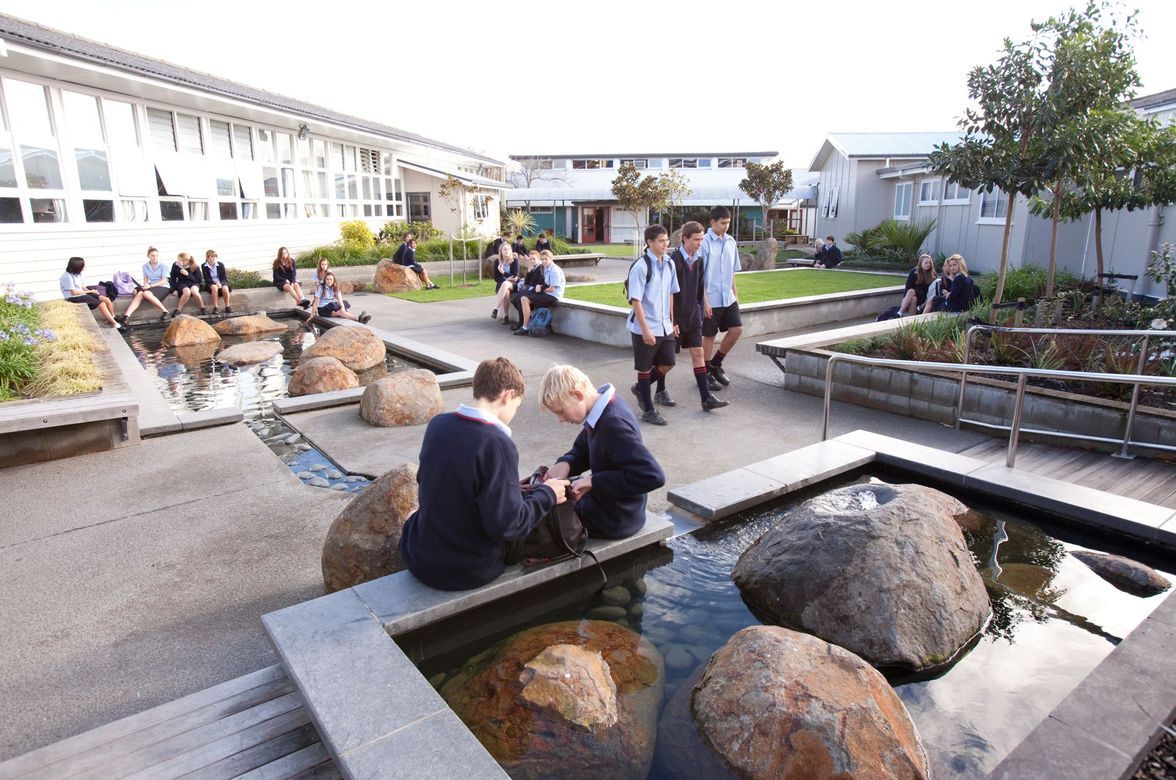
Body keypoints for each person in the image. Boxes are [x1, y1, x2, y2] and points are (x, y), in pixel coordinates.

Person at [399, 357, 570, 591]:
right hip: (468, 570)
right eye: (516, 406)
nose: (514, 413)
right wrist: (547, 494)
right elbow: (508, 525)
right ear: (507, 395)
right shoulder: (496, 443)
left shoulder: (438, 424)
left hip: (419, 556)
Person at [539, 364, 665, 539]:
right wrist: (566, 463)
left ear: (577, 395)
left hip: (616, 519)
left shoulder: (613, 422)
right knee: (551, 495)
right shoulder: (601, 409)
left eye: (561, 412)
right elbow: (582, 449)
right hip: (615, 505)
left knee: (542, 515)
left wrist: (593, 481)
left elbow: (652, 476)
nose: (561, 419)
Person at [625, 224, 679, 425]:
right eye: (661, 241)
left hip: (664, 325)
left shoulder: (669, 263)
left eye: (667, 240)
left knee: (668, 363)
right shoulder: (641, 266)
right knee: (645, 369)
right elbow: (636, 300)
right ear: (650, 242)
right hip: (644, 326)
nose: (666, 244)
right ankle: (648, 410)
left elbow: (671, 293)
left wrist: (672, 322)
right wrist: (646, 329)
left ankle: (641, 388)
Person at [673, 221, 729, 412]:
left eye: (702, 239)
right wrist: (671, 320)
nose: (699, 243)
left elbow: (699, 286)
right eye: (696, 239)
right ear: (685, 238)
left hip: (693, 316)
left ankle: (706, 398)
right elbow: (668, 293)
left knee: (698, 354)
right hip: (676, 318)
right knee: (665, 361)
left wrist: (703, 304)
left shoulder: (698, 260)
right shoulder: (674, 260)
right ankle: (655, 389)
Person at [700, 206, 743, 391]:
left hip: (728, 297)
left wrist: (736, 294)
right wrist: (704, 301)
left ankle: (716, 364)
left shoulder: (731, 242)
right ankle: (705, 373)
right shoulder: (704, 243)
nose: (726, 226)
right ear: (713, 222)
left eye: (728, 223)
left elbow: (732, 271)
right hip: (710, 297)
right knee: (709, 335)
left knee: (736, 330)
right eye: (722, 223)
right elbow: (699, 276)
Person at [60, 256, 123, 330]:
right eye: (83, 265)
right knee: (101, 303)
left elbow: (82, 286)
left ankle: (113, 317)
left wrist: (92, 292)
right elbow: (74, 292)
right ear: (78, 267)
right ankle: (115, 324)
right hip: (73, 297)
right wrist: (90, 291)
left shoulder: (78, 274)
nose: (85, 266)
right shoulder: (67, 276)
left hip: (82, 293)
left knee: (106, 299)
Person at [513, 249, 565, 335]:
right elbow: (546, 284)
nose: (543, 261)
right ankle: (524, 324)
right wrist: (540, 287)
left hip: (553, 295)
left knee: (524, 299)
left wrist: (541, 289)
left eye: (546, 259)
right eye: (542, 259)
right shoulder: (547, 268)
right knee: (523, 297)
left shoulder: (554, 270)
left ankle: (525, 327)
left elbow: (552, 288)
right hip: (547, 293)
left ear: (551, 259)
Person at [120, 247, 171, 323]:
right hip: (152, 286)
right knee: (140, 293)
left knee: (146, 293)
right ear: (148, 256)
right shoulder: (145, 266)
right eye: (152, 255)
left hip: (163, 287)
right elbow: (145, 280)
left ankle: (165, 311)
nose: (155, 257)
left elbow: (164, 281)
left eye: (156, 255)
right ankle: (126, 316)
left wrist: (150, 286)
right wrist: (145, 286)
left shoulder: (163, 266)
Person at [509, 251, 545, 329]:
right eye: (530, 259)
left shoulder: (540, 267)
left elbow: (534, 282)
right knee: (518, 300)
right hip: (531, 289)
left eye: (534, 259)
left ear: (538, 259)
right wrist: (528, 272)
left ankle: (523, 324)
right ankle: (522, 323)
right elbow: (527, 282)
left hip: (537, 291)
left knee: (518, 299)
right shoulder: (533, 267)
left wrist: (531, 272)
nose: (532, 261)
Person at [169, 252, 206, 316]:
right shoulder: (175, 265)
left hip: (193, 283)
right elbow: (172, 278)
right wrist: (174, 289)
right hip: (182, 283)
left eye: (182, 260)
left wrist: (187, 274)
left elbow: (198, 279)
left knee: (194, 291)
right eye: (179, 260)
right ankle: (178, 309)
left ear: (187, 261)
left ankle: (202, 307)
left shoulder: (195, 266)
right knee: (187, 292)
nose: (180, 262)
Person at [491, 243, 520, 322]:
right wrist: (506, 279)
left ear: (511, 250)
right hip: (502, 284)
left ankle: (496, 308)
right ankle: (506, 316)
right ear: (501, 251)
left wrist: (503, 272)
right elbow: (496, 278)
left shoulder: (515, 260)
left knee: (505, 284)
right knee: (506, 290)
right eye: (505, 249)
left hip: (513, 284)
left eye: (508, 249)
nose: (507, 251)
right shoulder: (497, 262)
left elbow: (515, 277)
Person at [200, 250, 232, 314]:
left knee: (225, 288)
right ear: (207, 258)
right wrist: (215, 283)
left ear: (216, 257)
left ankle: (227, 306)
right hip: (210, 283)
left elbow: (224, 277)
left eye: (213, 257)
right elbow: (207, 278)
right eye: (209, 257)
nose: (211, 259)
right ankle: (216, 307)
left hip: (221, 282)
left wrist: (221, 283)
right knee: (214, 288)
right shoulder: (204, 266)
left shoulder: (220, 264)